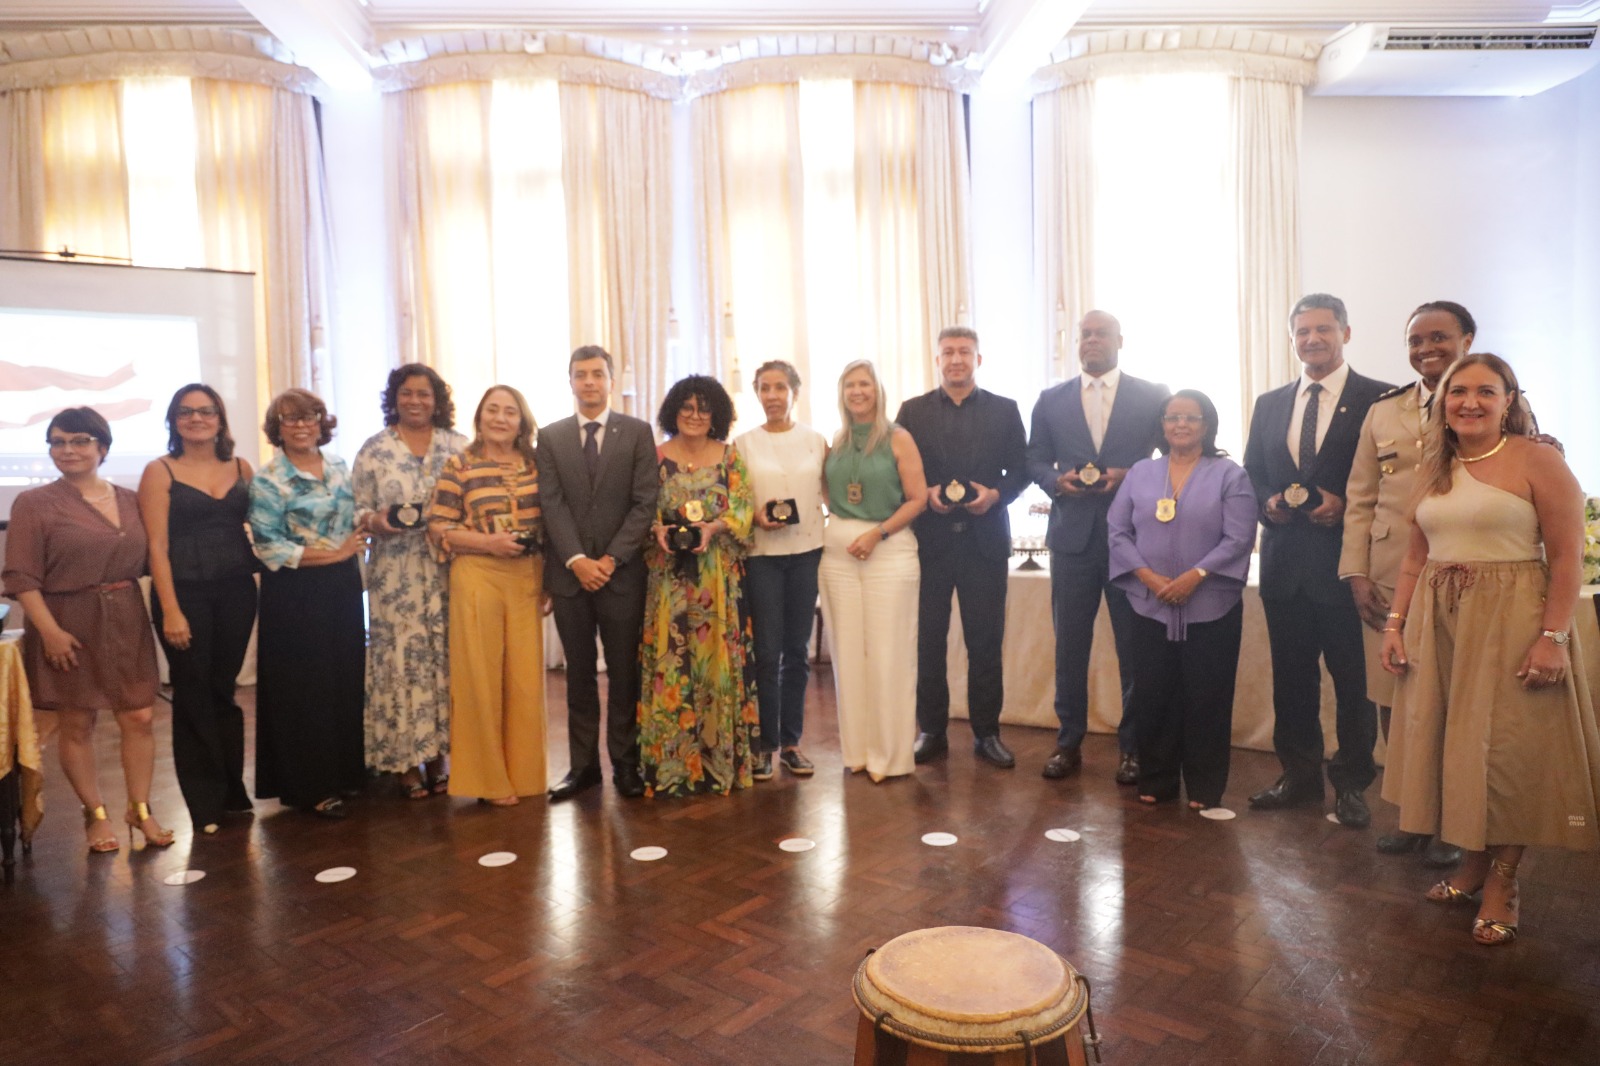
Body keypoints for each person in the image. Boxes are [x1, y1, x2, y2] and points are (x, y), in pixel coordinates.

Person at [1380, 352, 1600, 946]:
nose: (1469, 402)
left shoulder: (1539, 460)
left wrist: (1553, 638)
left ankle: (1504, 879)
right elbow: (1415, 557)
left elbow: (1567, 559)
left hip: (1515, 620)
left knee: (1507, 754)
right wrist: (1395, 626)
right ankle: (1473, 864)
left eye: (1485, 391)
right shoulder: (1435, 464)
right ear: (1442, 402)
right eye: (1458, 391)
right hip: (1441, 626)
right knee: (1458, 748)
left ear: (1509, 401)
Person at [1243, 293, 1393, 828]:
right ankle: (1299, 776)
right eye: (1302, 331)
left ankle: (1352, 784)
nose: (1312, 339)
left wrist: (1346, 505)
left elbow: (1392, 482)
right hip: (1284, 568)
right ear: (1293, 339)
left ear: (1345, 334)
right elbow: (1253, 474)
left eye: (1323, 329)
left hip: (1348, 570)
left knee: (1354, 684)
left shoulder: (1380, 399)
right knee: (1292, 681)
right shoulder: (1269, 403)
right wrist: (1268, 504)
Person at [1340, 302, 1478, 867]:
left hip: (1462, 574)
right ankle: (1412, 816)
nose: (1426, 349)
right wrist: (1355, 572)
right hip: (1389, 575)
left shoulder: (1488, 400)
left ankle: (1454, 823)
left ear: (1468, 339)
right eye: (1416, 341)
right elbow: (1360, 498)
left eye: (1439, 337)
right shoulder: (1383, 411)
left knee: (1454, 702)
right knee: (1393, 698)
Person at [3, 408, 171, 852]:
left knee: (139, 716)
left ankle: (140, 810)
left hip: (126, 616)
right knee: (77, 722)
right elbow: (20, 577)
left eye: (79, 440)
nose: (68, 450)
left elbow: (154, 555)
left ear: (103, 447)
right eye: (57, 442)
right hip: (66, 621)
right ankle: (95, 814)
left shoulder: (131, 499)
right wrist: (50, 632)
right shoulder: (34, 503)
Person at [1026, 310, 1168, 783]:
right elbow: (1034, 458)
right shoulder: (1051, 400)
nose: (1091, 340)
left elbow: (1173, 457)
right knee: (1070, 647)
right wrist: (1055, 481)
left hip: (1134, 540)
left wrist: (1132, 476)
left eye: (1101, 333)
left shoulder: (1152, 396)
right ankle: (1068, 742)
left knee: (1134, 648)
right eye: (1085, 334)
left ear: (1119, 341)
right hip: (1072, 541)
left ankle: (1133, 748)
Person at [1107, 391, 1256, 809]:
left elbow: (1239, 537)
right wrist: (1148, 577)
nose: (1181, 424)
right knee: (1153, 694)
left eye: (1191, 417)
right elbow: (1117, 531)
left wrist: (1195, 576)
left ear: (1207, 425)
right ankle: (1157, 780)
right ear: (1162, 424)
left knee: (1207, 697)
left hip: (1211, 605)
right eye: (1172, 417)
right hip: (1149, 603)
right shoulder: (1141, 472)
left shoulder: (1229, 475)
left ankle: (1205, 787)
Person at [895, 327, 1028, 769]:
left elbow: (1022, 470)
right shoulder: (911, 412)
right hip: (929, 544)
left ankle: (987, 734)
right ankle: (931, 731)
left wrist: (996, 495)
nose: (956, 359)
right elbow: (899, 470)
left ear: (978, 360)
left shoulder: (1005, 410)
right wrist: (925, 493)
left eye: (964, 352)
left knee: (985, 644)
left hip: (984, 544)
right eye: (948, 352)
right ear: (937, 360)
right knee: (928, 643)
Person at [537, 345, 658, 801]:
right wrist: (576, 560)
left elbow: (645, 503)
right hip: (569, 578)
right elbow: (551, 504)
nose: (589, 381)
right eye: (580, 374)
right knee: (579, 677)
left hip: (621, 576)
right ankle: (583, 767)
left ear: (611, 380)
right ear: (570, 381)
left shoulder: (637, 433)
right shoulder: (550, 437)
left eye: (597, 374)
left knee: (625, 674)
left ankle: (626, 764)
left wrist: (608, 561)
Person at [137, 385, 257, 834]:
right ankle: (204, 803)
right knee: (192, 691)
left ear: (220, 419)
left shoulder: (242, 467)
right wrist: (171, 610)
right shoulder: (160, 470)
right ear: (174, 421)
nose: (196, 418)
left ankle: (232, 793)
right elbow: (156, 546)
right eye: (186, 412)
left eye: (206, 411)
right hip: (183, 593)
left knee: (223, 689)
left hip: (237, 591)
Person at [248, 388, 368, 819]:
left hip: (341, 587)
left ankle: (346, 773)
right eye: (290, 419)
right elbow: (269, 548)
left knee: (344, 678)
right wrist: (337, 554)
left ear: (321, 423)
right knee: (306, 688)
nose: (301, 425)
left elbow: (355, 518)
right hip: (294, 593)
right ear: (277, 428)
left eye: (309, 417)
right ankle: (311, 786)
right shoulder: (268, 479)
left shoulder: (338, 466)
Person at [636, 376, 758, 796]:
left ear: (717, 414)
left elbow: (744, 509)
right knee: (671, 664)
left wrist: (715, 527)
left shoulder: (730, 457)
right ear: (673, 411)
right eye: (686, 407)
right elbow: (641, 509)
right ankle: (672, 767)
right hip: (669, 579)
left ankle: (716, 765)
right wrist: (656, 529)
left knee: (715, 667)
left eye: (704, 408)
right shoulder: (654, 458)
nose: (694, 415)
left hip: (716, 579)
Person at [353, 364, 468, 799]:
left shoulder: (458, 447)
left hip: (447, 571)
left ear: (437, 400)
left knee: (442, 662)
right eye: (406, 393)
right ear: (394, 398)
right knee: (401, 665)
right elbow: (355, 508)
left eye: (424, 394)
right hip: (394, 576)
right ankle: (403, 762)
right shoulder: (374, 450)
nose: (415, 401)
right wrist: (374, 521)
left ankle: (439, 758)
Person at [428, 386, 546, 806]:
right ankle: (489, 782)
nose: (500, 418)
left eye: (510, 411)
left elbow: (552, 523)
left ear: (521, 421)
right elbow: (438, 527)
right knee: (480, 680)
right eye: (492, 410)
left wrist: (550, 581)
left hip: (527, 577)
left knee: (526, 683)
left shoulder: (537, 464)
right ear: (479, 417)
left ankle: (526, 775)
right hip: (477, 574)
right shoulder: (459, 464)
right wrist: (487, 543)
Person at [817, 360, 928, 782]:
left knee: (888, 655)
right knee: (847, 656)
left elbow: (917, 498)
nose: (857, 391)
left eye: (864, 384)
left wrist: (876, 533)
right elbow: (827, 491)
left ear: (877, 390)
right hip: (838, 557)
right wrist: (842, 526)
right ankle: (859, 753)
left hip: (889, 552)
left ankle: (890, 757)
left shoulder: (899, 438)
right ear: (841, 393)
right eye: (850, 385)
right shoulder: (838, 440)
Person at [734, 361, 828, 781]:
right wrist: (755, 516)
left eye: (780, 387)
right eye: (765, 388)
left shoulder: (816, 441)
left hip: (807, 553)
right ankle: (764, 746)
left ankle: (791, 744)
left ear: (795, 392)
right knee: (767, 653)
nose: (772, 395)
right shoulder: (742, 445)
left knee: (797, 652)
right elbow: (735, 503)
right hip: (762, 557)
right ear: (756, 393)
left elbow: (832, 495)